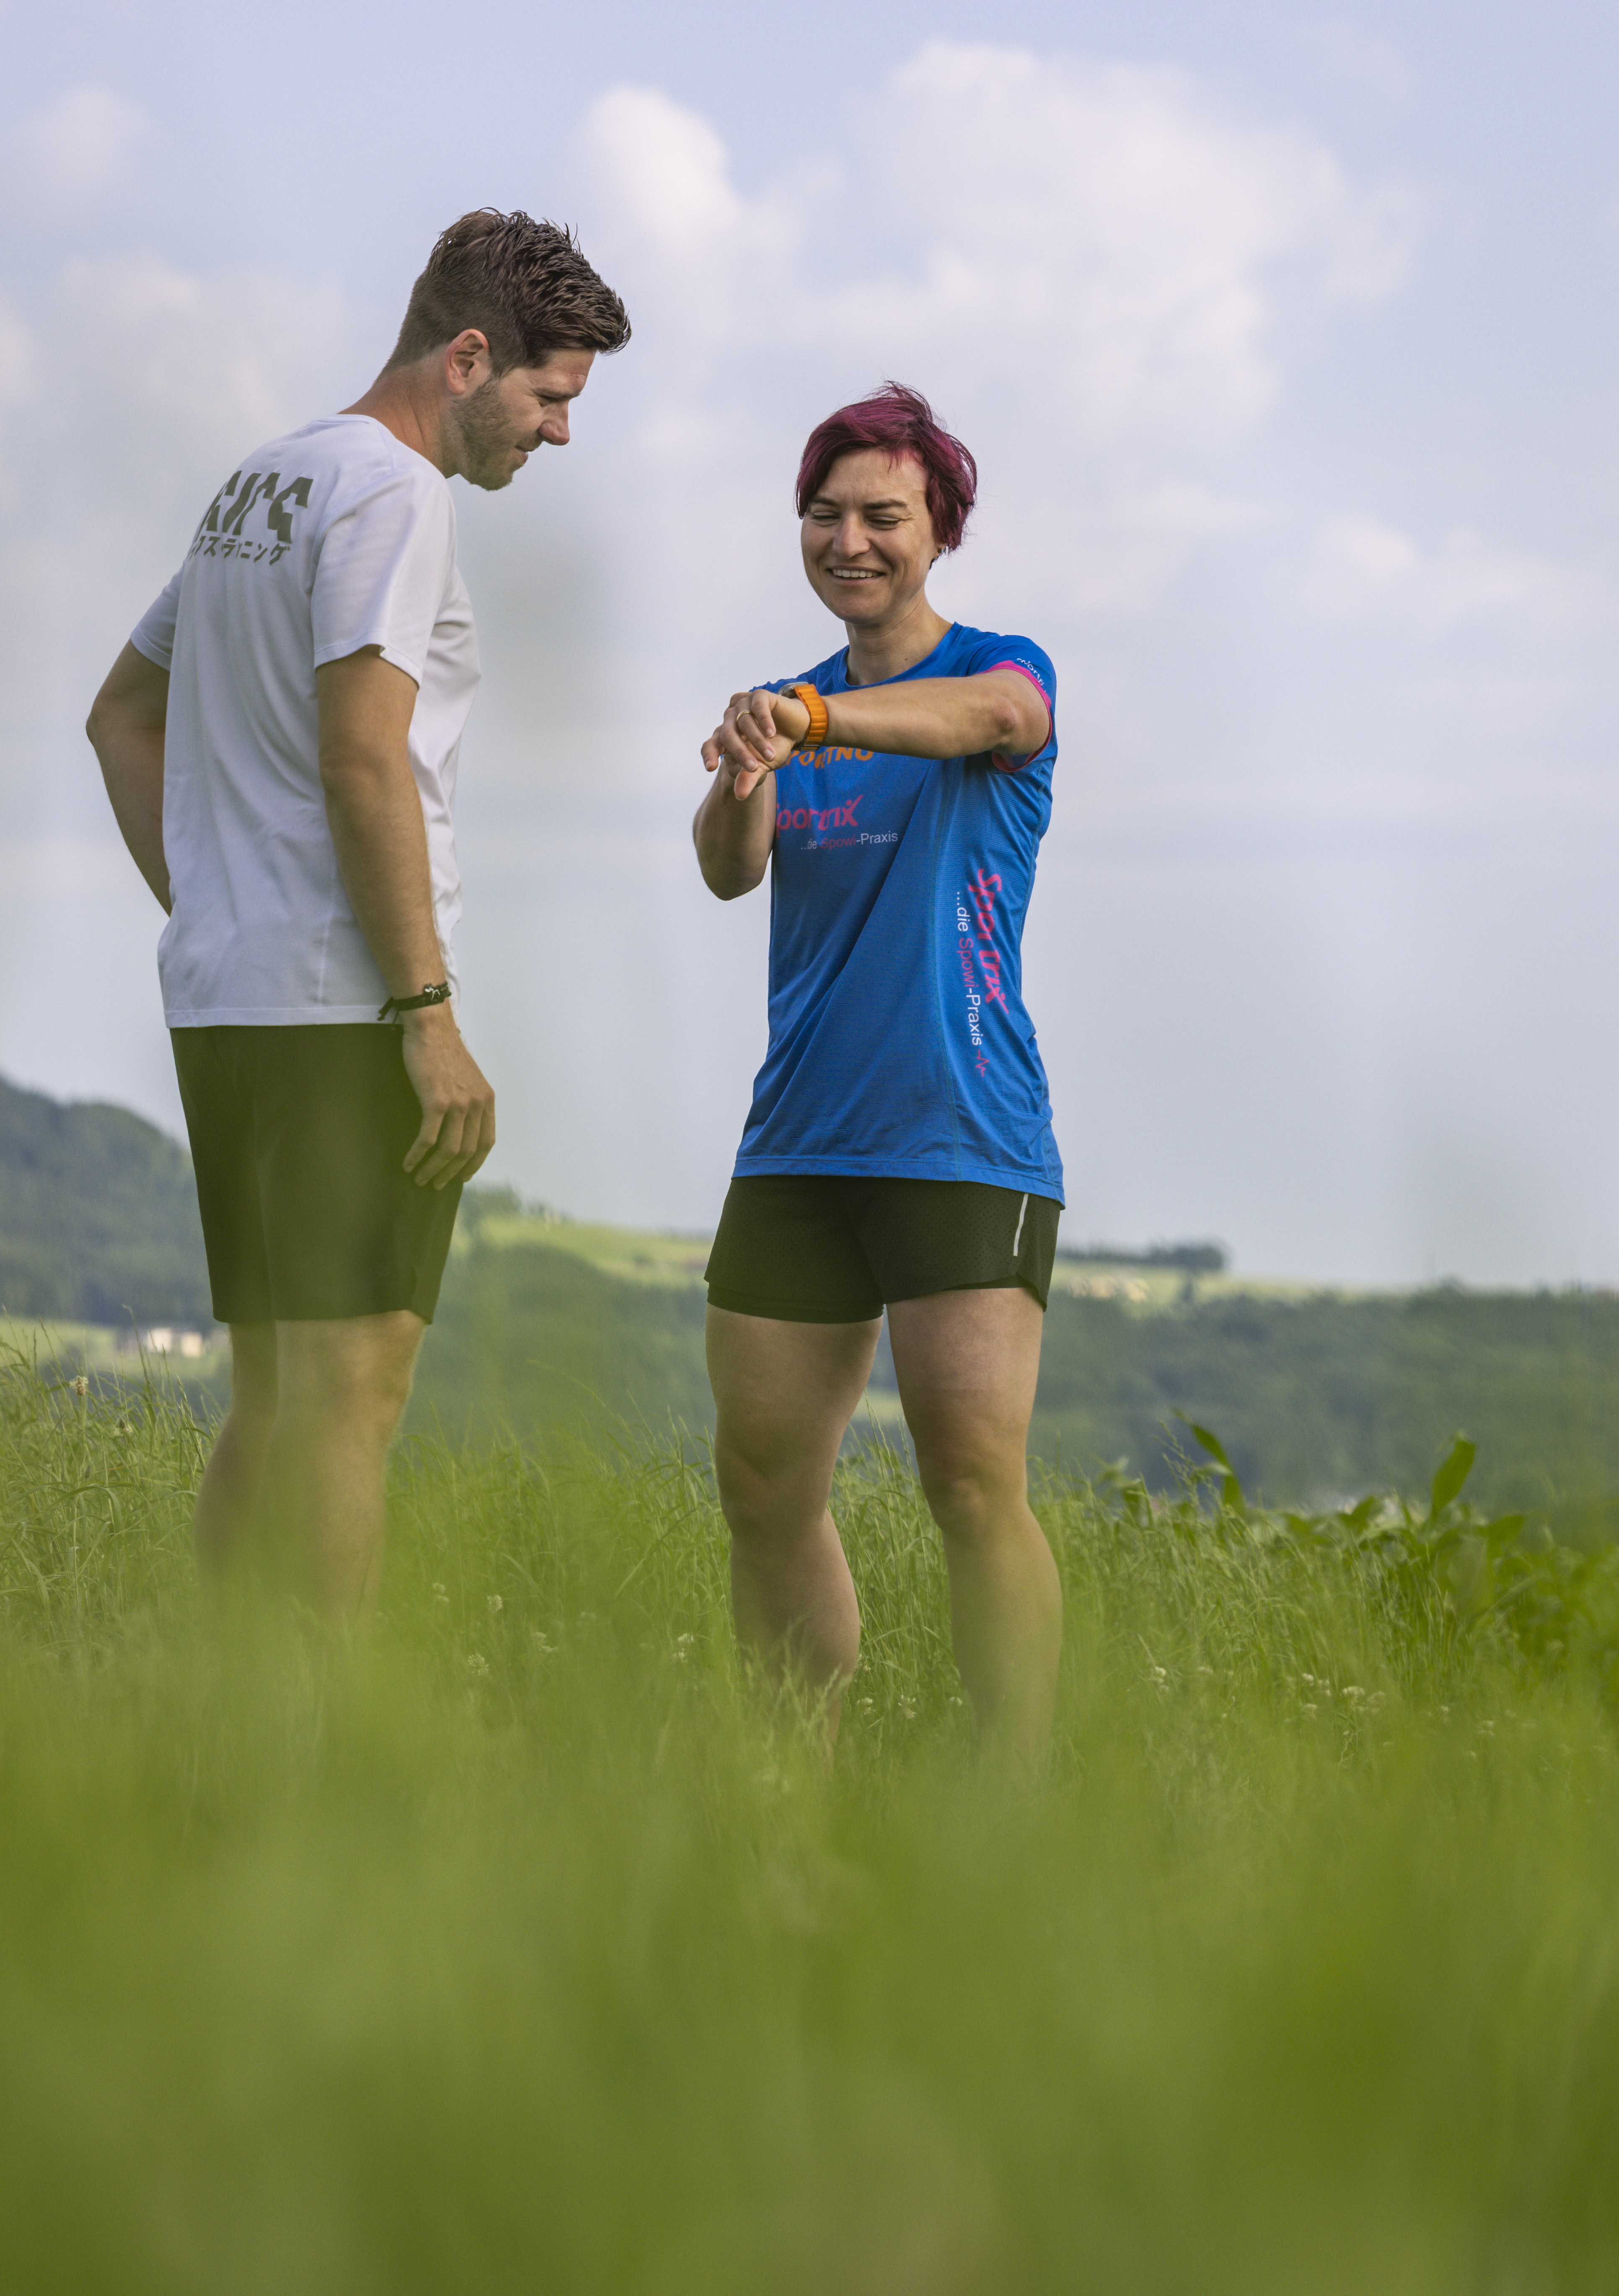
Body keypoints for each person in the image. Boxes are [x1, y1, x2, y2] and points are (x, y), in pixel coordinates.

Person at [84, 210, 630, 1613]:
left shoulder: (259, 483)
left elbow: (120, 717)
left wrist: (211, 893)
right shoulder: (397, 493)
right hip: (343, 1007)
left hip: (228, 994)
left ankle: (231, 1729)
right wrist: (427, 1011)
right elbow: (363, 751)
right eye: (551, 397)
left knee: (274, 1397)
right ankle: (322, 1761)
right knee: (349, 1403)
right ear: (467, 359)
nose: (559, 434)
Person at [690, 383, 1066, 1764]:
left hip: (962, 1132)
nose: (849, 539)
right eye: (826, 512)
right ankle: (798, 1782)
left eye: (883, 516)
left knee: (972, 1487)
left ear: (939, 530)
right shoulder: (791, 709)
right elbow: (730, 874)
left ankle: (1014, 1803)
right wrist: (746, 766)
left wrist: (815, 722)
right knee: (763, 1484)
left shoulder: (1000, 668)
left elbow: (987, 724)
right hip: (798, 1141)